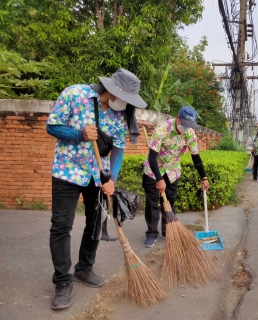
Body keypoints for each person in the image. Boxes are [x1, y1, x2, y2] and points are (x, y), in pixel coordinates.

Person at [46, 69, 146, 310]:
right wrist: (79, 134)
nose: (126, 104)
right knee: (61, 225)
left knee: (94, 223)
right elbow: (52, 126)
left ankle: (84, 268)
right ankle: (62, 281)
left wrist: (111, 178)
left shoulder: (122, 115)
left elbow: (118, 151)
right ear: (112, 90)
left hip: (96, 177)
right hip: (67, 170)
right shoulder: (74, 94)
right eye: (125, 98)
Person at [142, 106, 210, 248]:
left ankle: (168, 232)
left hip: (172, 171)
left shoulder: (190, 133)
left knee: (170, 202)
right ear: (177, 118)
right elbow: (152, 157)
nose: (186, 128)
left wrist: (204, 177)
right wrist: (159, 179)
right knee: (152, 202)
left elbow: (196, 156)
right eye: (185, 124)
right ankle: (151, 234)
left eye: (189, 125)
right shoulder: (162, 129)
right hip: (153, 170)